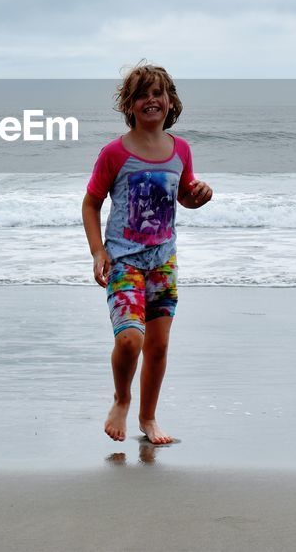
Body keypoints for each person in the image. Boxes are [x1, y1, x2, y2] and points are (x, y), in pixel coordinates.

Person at [82, 62, 213, 445]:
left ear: (171, 102)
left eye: (158, 93)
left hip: (163, 262)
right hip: (124, 260)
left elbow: (184, 195)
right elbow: (90, 204)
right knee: (130, 340)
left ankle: (149, 419)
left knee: (157, 346)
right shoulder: (114, 154)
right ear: (130, 104)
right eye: (143, 94)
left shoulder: (181, 150)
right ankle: (121, 399)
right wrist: (97, 252)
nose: (151, 100)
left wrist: (199, 196)